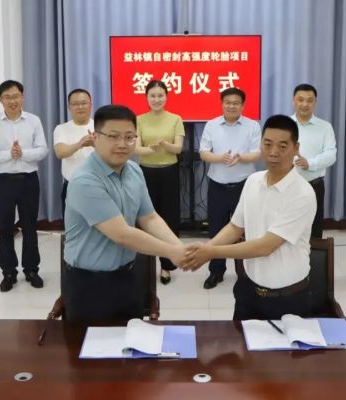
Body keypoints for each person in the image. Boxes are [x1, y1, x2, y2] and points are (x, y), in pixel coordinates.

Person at [62, 105, 186, 321]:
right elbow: (122, 235)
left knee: (131, 337)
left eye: (129, 137)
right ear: (95, 137)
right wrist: (172, 252)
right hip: (89, 284)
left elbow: (149, 217)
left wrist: (180, 248)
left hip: (128, 275)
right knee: (89, 342)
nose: (122, 144)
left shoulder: (134, 171)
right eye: (113, 136)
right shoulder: (85, 180)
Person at [185, 115, 316, 320]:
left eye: (282, 146)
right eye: (268, 144)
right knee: (239, 340)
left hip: (288, 297)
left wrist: (210, 252)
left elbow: (265, 247)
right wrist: (206, 249)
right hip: (249, 291)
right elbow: (235, 227)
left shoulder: (303, 194)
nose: (273, 152)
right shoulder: (253, 181)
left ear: (296, 148)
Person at [0, 80, 48, 292]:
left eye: (16, 96)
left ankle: (31, 270)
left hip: (29, 180)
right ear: (0, 100)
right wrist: (9, 154)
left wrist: (23, 153)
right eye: (7, 97)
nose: (12, 101)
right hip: (2, 182)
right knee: (5, 229)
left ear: (23, 97)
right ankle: (9, 273)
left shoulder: (33, 121)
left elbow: (43, 150)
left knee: (30, 227)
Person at [199, 87, 261, 289]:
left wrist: (241, 157)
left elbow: (257, 154)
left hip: (245, 186)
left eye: (236, 103)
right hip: (217, 185)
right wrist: (221, 158)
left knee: (246, 231)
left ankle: (246, 272)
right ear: (222, 104)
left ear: (242, 105)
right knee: (217, 230)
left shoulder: (252, 125)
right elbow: (203, 153)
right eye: (228, 102)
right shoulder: (212, 124)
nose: (231, 106)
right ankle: (216, 271)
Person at [135, 80, 185, 285]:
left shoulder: (175, 119)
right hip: (145, 173)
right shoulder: (139, 119)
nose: (156, 99)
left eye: (160, 95)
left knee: (168, 218)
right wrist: (152, 149)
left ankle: (167, 266)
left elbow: (178, 148)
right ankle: (144, 266)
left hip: (169, 172)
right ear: (146, 97)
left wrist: (165, 145)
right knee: (144, 219)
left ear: (166, 97)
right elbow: (136, 149)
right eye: (153, 96)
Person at [291, 83, 337, 239]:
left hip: (314, 185)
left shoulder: (325, 127)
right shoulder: (285, 125)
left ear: (315, 102)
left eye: (309, 100)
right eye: (300, 99)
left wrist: (310, 164)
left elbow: (331, 154)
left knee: (315, 228)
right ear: (293, 100)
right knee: (288, 227)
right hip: (287, 184)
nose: (305, 104)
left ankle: (313, 255)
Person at [53, 88, 95, 219]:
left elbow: (109, 154)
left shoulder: (100, 127)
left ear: (90, 105)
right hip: (72, 185)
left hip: (98, 185)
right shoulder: (61, 129)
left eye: (84, 103)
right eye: (75, 104)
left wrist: (94, 144)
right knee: (72, 225)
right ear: (69, 107)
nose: (80, 107)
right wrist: (79, 144)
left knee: (100, 226)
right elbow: (60, 153)